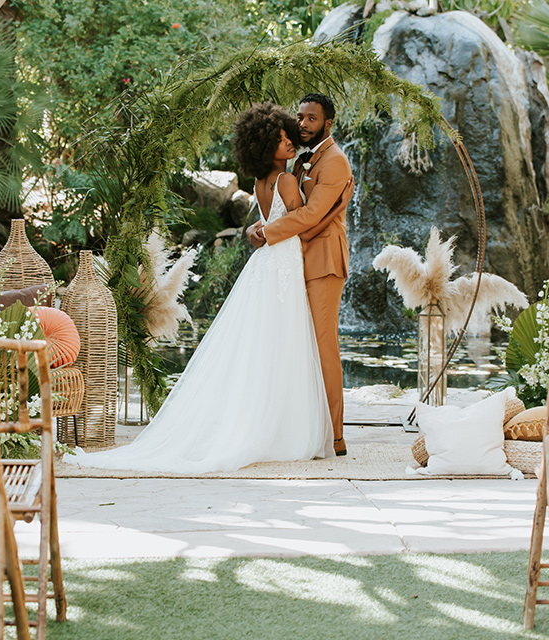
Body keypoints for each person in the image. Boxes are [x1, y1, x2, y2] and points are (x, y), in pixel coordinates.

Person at [73, 102, 334, 473]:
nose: (289, 142)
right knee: (285, 341)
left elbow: (270, 219)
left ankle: (264, 424)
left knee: (264, 343)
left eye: (287, 136)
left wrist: (258, 230)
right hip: (284, 264)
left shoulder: (260, 183)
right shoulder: (287, 180)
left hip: (265, 263)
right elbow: (301, 221)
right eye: (280, 140)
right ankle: (282, 429)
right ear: (264, 146)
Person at [247, 93, 353, 456]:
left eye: (312, 119)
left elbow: (311, 216)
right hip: (293, 261)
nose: (304, 124)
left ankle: (334, 437)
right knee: (296, 346)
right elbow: (281, 207)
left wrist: (267, 233)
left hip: (323, 261)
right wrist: (259, 227)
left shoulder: (335, 161)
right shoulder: (300, 162)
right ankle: (298, 427)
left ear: (328, 123)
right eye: (301, 117)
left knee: (324, 347)